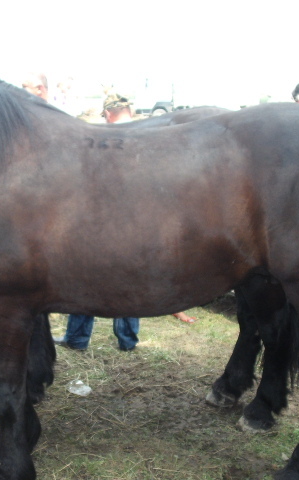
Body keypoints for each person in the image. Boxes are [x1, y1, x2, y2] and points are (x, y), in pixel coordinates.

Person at [52, 93, 197, 352]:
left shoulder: (97, 138)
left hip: (100, 220)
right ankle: (127, 340)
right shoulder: (151, 137)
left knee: (87, 279)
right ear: (129, 110)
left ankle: (77, 338)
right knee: (131, 278)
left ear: (108, 113)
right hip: (141, 221)